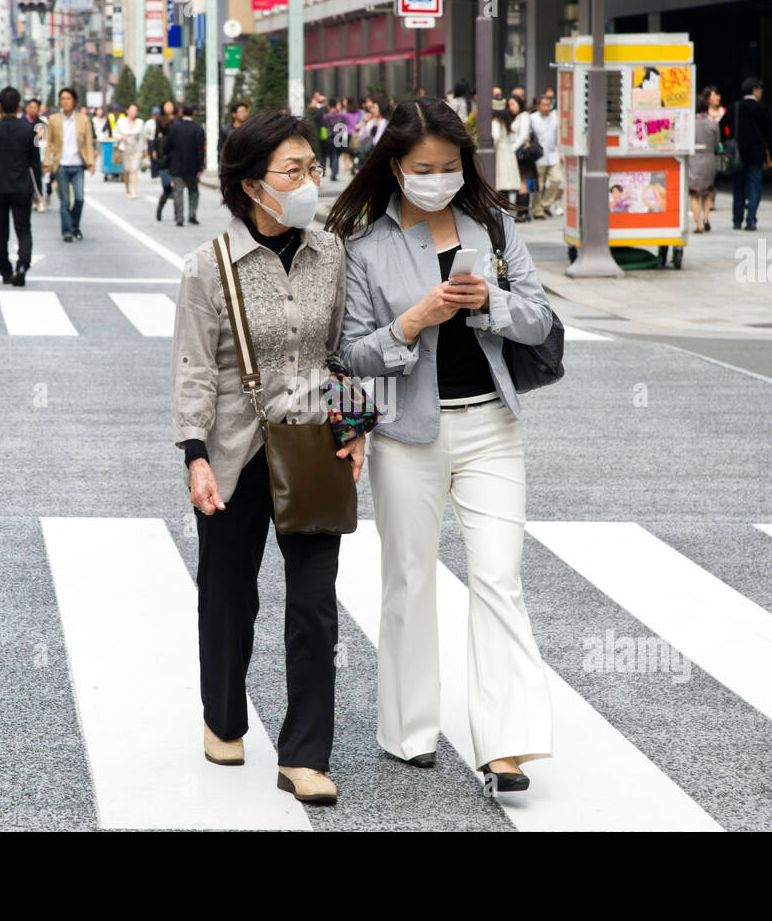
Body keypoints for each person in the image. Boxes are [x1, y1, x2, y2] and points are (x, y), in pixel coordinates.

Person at [325, 96, 555, 792]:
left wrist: (490, 304)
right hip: (405, 435)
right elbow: (351, 355)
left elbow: (540, 320)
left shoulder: (493, 227)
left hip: (491, 427)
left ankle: (507, 745)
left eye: (450, 166)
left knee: (498, 578)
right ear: (395, 168)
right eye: (424, 168)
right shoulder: (364, 249)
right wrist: (413, 323)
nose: (438, 178)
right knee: (409, 580)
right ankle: (408, 730)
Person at [171, 111, 363, 805]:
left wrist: (355, 424)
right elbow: (194, 366)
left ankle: (305, 753)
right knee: (228, 595)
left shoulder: (331, 253)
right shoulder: (207, 267)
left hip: (312, 444)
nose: (311, 181)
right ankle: (222, 715)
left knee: (314, 605)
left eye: (312, 167)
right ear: (253, 186)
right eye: (294, 171)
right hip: (231, 451)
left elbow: (343, 348)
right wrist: (194, 456)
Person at [0, 86, 41, 288]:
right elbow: (35, 162)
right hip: (22, 186)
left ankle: (5, 271)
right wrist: (38, 189)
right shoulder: (29, 130)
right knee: (24, 229)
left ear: (0, 106)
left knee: (1, 231)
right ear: (19, 105)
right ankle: (22, 265)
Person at [44, 86, 96, 243]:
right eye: (63, 99)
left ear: (74, 101)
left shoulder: (83, 119)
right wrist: (47, 163)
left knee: (79, 199)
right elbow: (49, 143)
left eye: (68, 99)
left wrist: (91, 162)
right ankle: (67, 231)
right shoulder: (53, 119)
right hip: (61, 165)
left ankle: (74, 225)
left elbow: (88, 142)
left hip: (78, 164)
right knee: (65, 201)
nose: (65, 102)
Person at [732, 76, 772, 230]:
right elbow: (770, 133)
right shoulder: (763, 108)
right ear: (755, 90)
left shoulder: (735, 107)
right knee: (755, 186)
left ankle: (737, 220)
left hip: (738, 153)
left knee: (738, 187)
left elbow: (725, 128)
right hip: (757, 153)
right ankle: (751, 220)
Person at [163, 101, 205, 227]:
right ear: (194, 113)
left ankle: (179, 218)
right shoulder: (198, 129)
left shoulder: (174, 128)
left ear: (181, 112)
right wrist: (200, 166)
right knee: (193, 191)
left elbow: (166, 147)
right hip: (193, 166)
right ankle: (192, 215)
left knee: (178, 191)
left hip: (176, 165)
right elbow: (200, 150)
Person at [689, 89, 722, 232]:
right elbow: (717, 144)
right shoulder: (712, 124)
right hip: (709, 159)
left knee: (694, 194)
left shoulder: (690, 124)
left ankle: (698, 225)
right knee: (707, 192)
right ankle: (706, 217)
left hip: (694, 159)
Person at [529, 93, 560, 219]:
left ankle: (545, 204)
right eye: (544, 105)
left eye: (548, 105)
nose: (547, 108)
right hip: (538, 156)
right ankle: (537, 210)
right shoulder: (532, 118)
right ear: (538, 106)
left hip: (553, 154)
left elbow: (559, 135)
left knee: (556, 180)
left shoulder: (555, 117)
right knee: (539, 184)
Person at [491, 97, 522, 206]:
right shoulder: (507, 121)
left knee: (499, 184)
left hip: (500, 155)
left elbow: (495, 138)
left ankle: (501, 210)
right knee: (506, 185)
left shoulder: (495, 122)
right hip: (508, 153)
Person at [508, 95, 535, 220]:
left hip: (522, 154)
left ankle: (523, 213)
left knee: (523, 182)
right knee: (521, 182)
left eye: (513, 104)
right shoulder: (516, 117)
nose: (510, 107)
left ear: (519, 103)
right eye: (509, 105)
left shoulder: (524, 116)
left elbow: (523, 136)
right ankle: (522, 212)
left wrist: (512, 149)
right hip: (516, 152)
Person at [112, 103, 146, 198]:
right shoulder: (121, 121)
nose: (133, 112)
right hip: (124, 147)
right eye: (132, 110)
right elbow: (115, 133)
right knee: (127, 170)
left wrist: (144, 149)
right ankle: (127, 188)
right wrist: (120, 137)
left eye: (135, 110)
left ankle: (134, 190)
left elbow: (142, 137)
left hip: (136, 148)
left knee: (134, 169)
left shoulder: (140, 122)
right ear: (127, 111)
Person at [152, 100, 176, 222]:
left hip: (175, 158)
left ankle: (178, 215)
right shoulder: (160, 120)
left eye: (171, 105)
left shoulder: (177, 120)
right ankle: (160, 208)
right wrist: (155, 150)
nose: (169, 107)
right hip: (164, 158)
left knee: (177, 188)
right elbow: (156, 136)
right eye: (167, 105)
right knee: (167, 189)